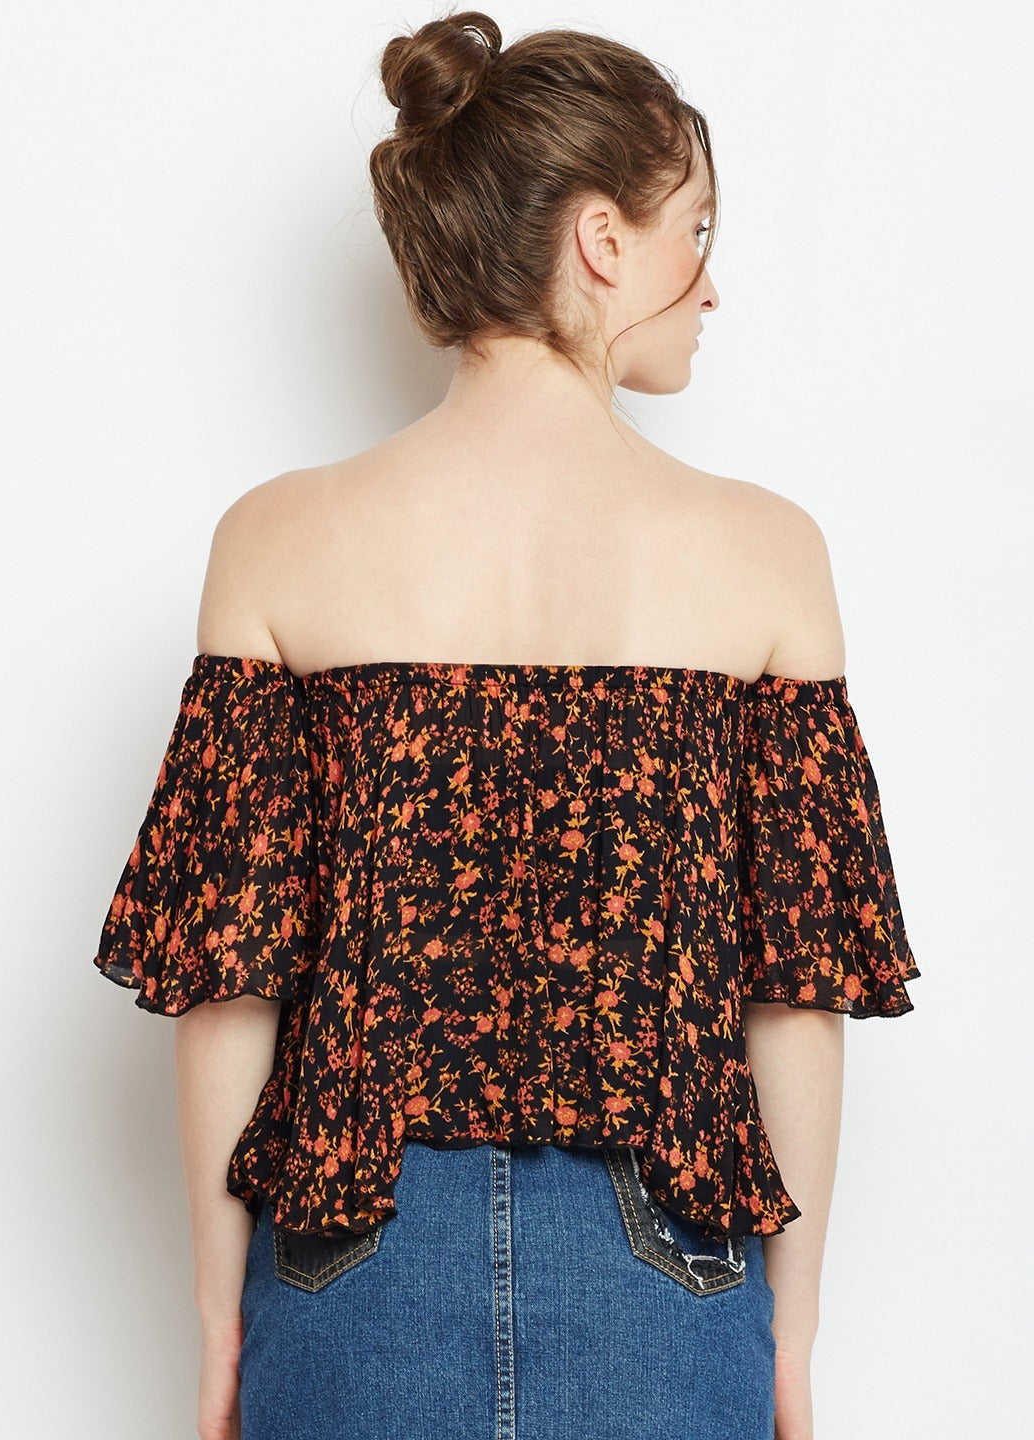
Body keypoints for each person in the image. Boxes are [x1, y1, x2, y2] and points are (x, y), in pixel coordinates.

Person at [92, 12, 920, 1440]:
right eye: (695, 231)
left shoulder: (279, 539)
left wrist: (223, 1325)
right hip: (668, 1269)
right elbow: (796, 996)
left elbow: (230, 986)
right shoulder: (767, 553)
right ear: (601, 239)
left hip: (349, 1260)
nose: (711, 284)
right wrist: (791, 1337)